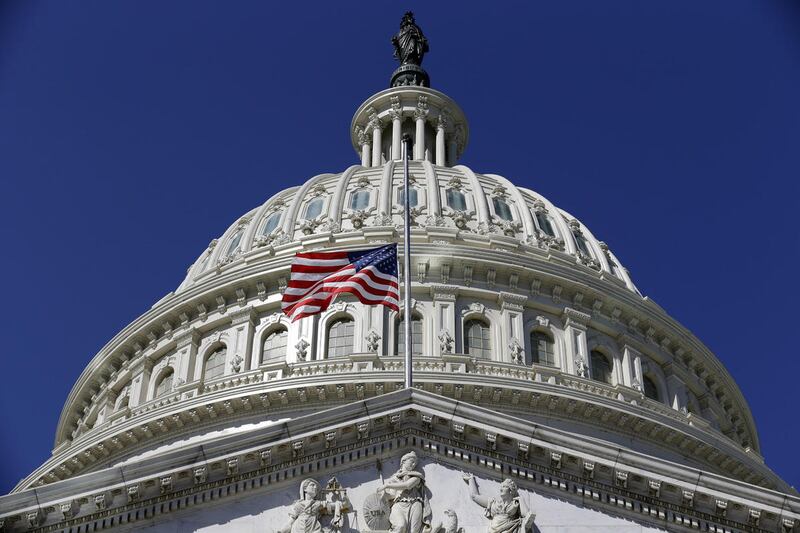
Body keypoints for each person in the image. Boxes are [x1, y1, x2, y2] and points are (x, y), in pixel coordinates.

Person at [378, 451, 432, 533]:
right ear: (403, 461)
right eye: (412, 461)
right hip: (399, 504)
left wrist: (387, 486)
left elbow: (407, 485)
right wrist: (384, 495)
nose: (414, 464)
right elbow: (392, 495)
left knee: (414, 531)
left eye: (415, 463)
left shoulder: (417, 476)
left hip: (414, 504)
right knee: (400, 526)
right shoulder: (394, 478)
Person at [463, 474, 535, 533]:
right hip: (492, 530)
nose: (501, 489)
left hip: (509, 529)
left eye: (504, 487)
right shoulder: (493, 503)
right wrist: (471, 479)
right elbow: (474, 496)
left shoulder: (515, 504)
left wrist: (521, 500)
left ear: (511, 490)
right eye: (501, 487)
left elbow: (526, 515)